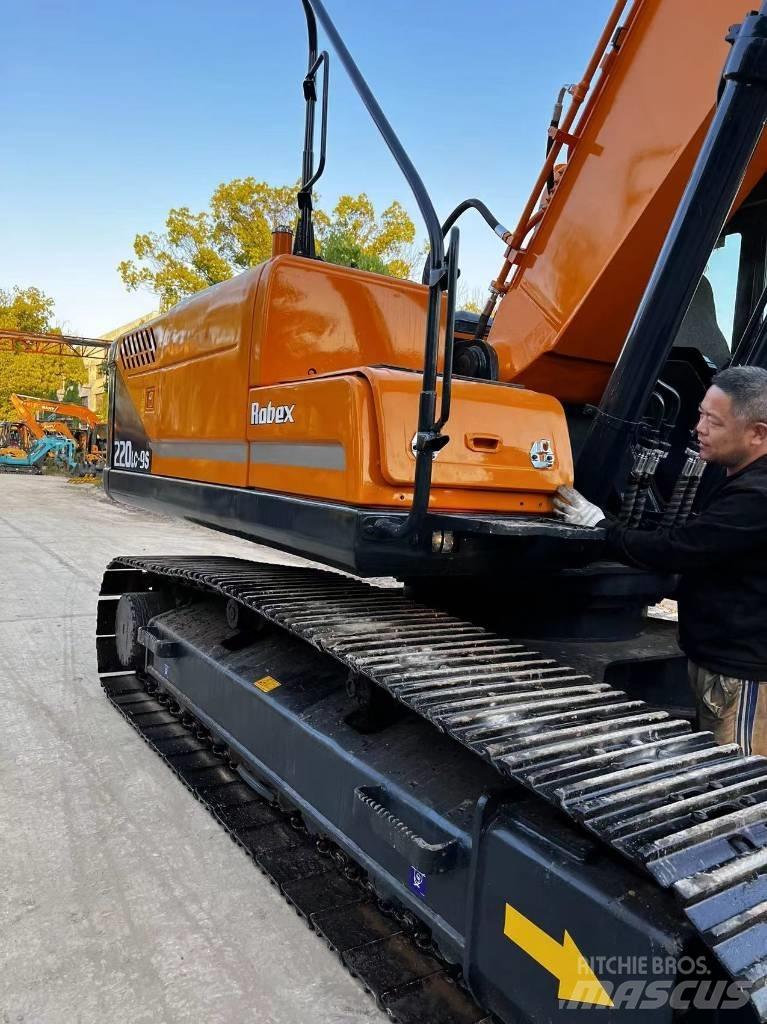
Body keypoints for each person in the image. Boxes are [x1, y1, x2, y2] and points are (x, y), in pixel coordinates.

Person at [554, 365, 767, 756]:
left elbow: (679, 549)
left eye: (712, 421)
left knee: (741, 783)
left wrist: (603, 528)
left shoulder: (757, 497)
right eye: (700, 414)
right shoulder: (741, 480)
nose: (698, 428)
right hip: (723, 660)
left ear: (757, 433)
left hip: (742, 673)